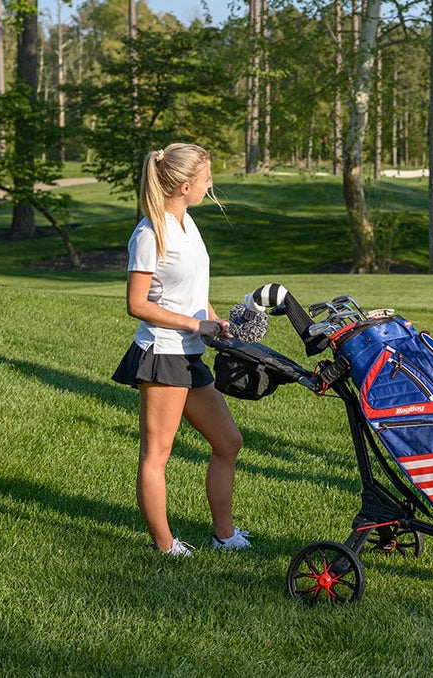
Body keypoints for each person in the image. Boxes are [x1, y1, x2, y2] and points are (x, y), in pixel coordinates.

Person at [110, 143, 248, 557]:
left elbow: (192, 293)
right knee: (157, 454)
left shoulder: (188, 224)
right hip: (163, 353)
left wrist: (215, 320)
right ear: (185, 185)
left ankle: (224, 535)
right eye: (207, 179)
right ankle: (165, 545)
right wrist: (194, 324)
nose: (210, 185)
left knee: (229, 442)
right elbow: (137, 304)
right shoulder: (150, 233)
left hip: (190, 353)